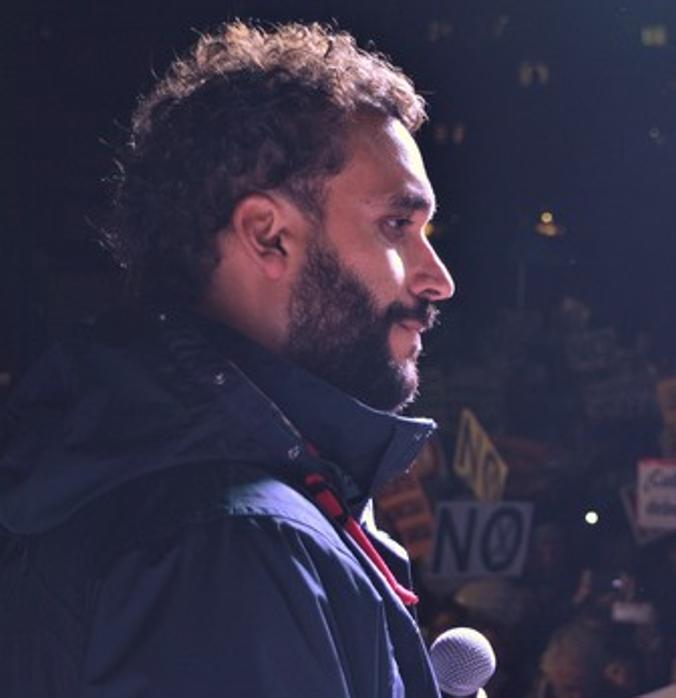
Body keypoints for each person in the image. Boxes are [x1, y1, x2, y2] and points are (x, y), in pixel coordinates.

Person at [1, 20, 454, 696]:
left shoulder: (168, 484)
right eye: (398, 225)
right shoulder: (234, 542)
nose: (437, 278)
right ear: (268, 236)